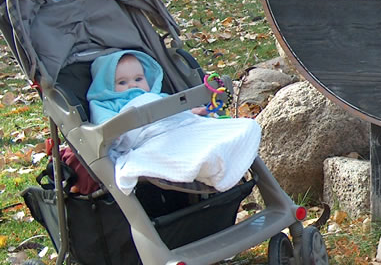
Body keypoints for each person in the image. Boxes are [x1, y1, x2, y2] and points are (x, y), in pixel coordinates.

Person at [85, 49, 261, 195]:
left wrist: (195, 111)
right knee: (182, 151)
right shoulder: (107, 104)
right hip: (149, 138)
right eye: (122, 82)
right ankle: (208, 165)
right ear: (106, 86)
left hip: (181, 127)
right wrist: (116, 136)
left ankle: (214, 163)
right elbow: (106, 129)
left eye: (138, 79)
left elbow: (176, 109)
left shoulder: (155, 96)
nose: (133, 86)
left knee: (246, 127)